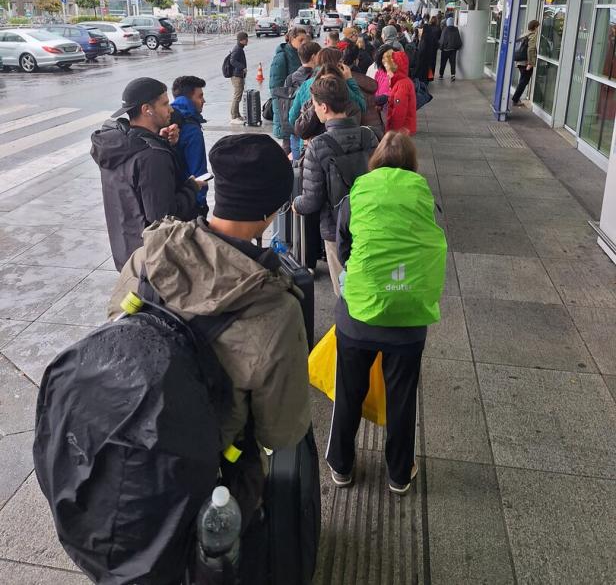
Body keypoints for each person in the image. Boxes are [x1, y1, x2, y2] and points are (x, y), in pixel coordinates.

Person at [107, 134, 311, 540]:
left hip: (124, 451)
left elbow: (114, 325)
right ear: (273, 212)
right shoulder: (276, 311)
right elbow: (281, 431)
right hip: (208, 482)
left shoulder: (151, 253)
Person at [326, 131, 447, 494]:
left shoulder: (357, 194)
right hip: (409, 318)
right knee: (403, 396)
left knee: (348, 392)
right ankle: (398, 473)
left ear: (375, 159)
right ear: (412, 165)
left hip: (359, 316)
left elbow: (344, 248)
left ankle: (342, 466)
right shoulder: (424, 197)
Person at [91, 78, 206, 270]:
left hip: (127, 251)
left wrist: (163, 144)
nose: (171, 109)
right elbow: (162, 217)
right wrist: (192, 188)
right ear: (147, 109)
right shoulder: (152, 156)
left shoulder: (119, 142)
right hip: (155, 262)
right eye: (165, 103)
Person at [293, 75, 378, 297]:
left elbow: (312, 200)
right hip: (369, 219)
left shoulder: (318, 146)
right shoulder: (368, 136)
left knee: (344, 291)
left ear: (323, 107)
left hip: (335, 228)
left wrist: (296, 205)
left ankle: (348, 327)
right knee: (370, 281)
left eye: (314, 104)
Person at [288, 47, 366, 129]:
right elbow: (361, 106)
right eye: (341, 62)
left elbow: (292, 117)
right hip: (336, 134)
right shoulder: (339, 85)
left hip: (309, 138)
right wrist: (350, 80)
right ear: (337, 64)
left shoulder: (306, 84)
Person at [171, 75, 208, 209]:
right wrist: (201, 204)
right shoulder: (191, 128)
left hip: (172, 197)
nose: (203, 100)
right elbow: (199, 172)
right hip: (190, 199)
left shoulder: (168, 118)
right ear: (188, 99)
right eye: (200, 96)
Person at [270, 26, 307, 153]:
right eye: (301, 40)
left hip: (298, 107)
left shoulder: (300, 54)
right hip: (286, 107)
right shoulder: (282, 57)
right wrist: (281, 117)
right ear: (291, 39)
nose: (304, 43)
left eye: (305, 40)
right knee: (288, 145)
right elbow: (275, 89)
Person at [287, 40, 321, 160]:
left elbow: (291, 114)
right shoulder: (315, 80)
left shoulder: (291, 77)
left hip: (299, 130)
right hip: (313, 136)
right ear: (313, 57)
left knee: (298, 166)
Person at [343, 45, 384, 140]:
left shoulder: (344, 84)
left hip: (356, 131)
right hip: (374, 127)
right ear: (356, 60)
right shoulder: (367, 79)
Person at [383, 50, 417, 134]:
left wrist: (393, 132)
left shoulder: (402, 86)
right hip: (404, 129)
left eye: (387, 70)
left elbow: (399, 111)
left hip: (400, 132)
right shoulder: (403, 82)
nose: (386, 73)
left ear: (394, 69)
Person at [512, 20, 540, 105]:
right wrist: (530, 63)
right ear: (535, 27)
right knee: (524, 81)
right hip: (526, 62)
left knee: (522, 80)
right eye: (538, 26)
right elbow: (531, 49)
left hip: (520, 61)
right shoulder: (532, 35)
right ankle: (515, 99)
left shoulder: (524, 34)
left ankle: (516, 99)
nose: (539, 29)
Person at [229, 31, 249, 124]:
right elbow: (232, 61)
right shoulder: (237, 49)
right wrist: (242, 67)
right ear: (241, 40)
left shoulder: (240, 48)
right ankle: (233, 116)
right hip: (237, 76)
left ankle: (237, 115)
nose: (247, 41)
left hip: (239, 75)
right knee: (237, 96)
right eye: (246, 39)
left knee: (239, 95)